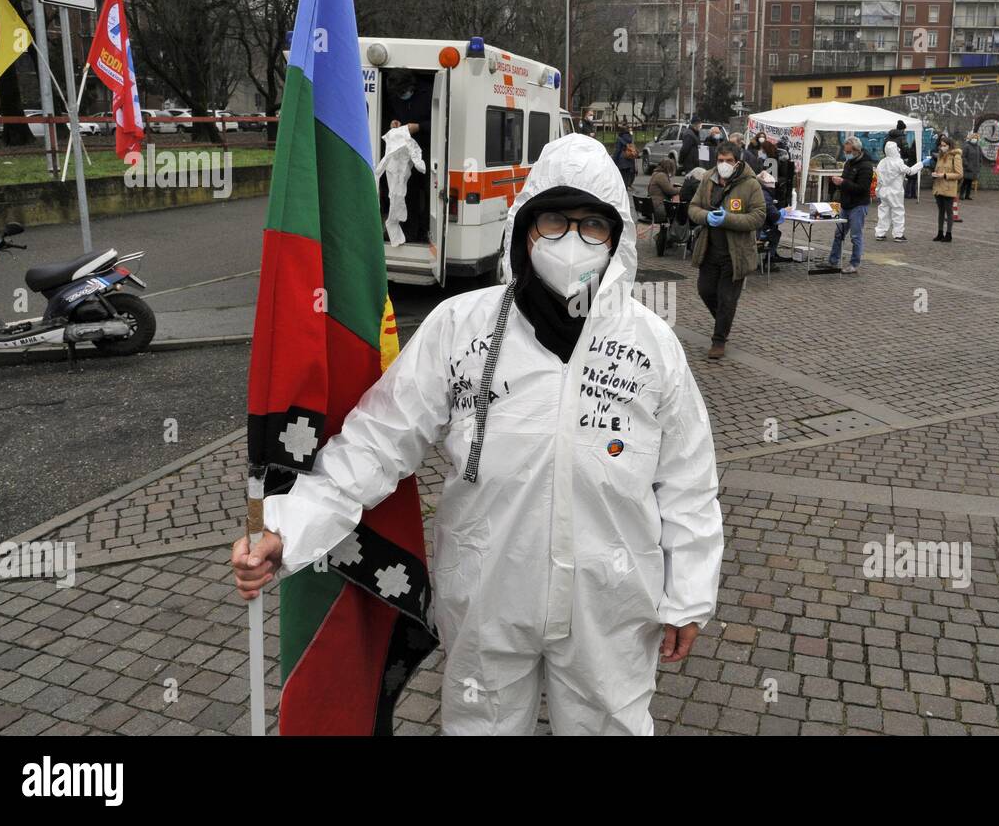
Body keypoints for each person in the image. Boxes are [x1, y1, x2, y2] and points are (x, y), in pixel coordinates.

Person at [232, 134, 723, 735]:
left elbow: (688, 482)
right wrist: (288, 524)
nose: (572, 240)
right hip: (488, 599)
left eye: (592, 224)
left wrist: (689, 594)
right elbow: (376, 441)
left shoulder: (652, 346)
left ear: (617, 235)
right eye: (554, 220)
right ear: (523, 228)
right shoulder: (461, 328)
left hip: (613, 609)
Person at [689, 142, 767, 359]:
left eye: (728, 161)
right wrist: (706, 217)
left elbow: (759, 216)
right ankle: (724, 320)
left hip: (736, 253)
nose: (724, 164)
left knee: (727, 299)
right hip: (709, 249)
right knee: (705, 290)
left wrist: (728, 219)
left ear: (737, 161)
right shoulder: (707, 179)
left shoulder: (750, 184)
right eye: (720, 160)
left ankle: (719, 339)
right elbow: (693, 207)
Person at [385, 70, 434, 243]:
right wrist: (395, 122)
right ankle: (410, 231)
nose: (401, 96)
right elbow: (393, 114)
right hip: (405, 150)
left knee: (429, 191)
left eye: (402, 92)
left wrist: (419, 127)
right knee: (407, 191)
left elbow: (440, 121)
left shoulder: (429, 92)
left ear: (411, 86)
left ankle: (427, 229)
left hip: (429, 149)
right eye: (398, 94)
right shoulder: (395, 97)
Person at [822, 136, 874, 274]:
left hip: (858, 205)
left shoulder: (866, 166)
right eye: (846, 151)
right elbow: (845, 180)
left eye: (848, 151)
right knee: (838, 234)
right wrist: (838, 183)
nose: (846, 154)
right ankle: (833, 261)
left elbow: (862, 188)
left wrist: (843, 183)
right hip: (845, 204)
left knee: (856, 236)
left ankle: (854, 264)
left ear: (856, 150)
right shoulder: (848, 163)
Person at [874, 140, 930, 242]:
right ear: (895, 150)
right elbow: (910, 171)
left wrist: (877, 191)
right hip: (895, 191)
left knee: (883, 212)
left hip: (884, 191)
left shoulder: (882, 162)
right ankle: (898, 235)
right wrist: (921, 163)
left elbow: (878, 179)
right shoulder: (898, 162)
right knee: (898, 212)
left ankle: (880, 233)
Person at [931, 135, 963, 242]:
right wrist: (935, 174)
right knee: (940, 211)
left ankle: (948, 234)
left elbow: (959, 174)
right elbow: (938, 168)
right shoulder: (940, 155)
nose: (942, 147)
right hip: (938, 187)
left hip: (949, 187)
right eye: (941, 145)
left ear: (949, 146)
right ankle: (940, 232)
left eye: (944, 145)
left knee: (949, 212)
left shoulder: (956, 156)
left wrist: (945, 175)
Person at [648, 157, 679, 225]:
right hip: (658, 208)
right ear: (669, 168)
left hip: (651, 207)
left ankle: (664, 233)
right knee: (679, 213)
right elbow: (670, 191)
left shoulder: (656, 173)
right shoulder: (661, 176)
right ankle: (670, 233)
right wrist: (680, 189)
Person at [612, 123, 637, 197]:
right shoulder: (630, 138)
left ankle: (621, 192)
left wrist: (614, 161)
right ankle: (625, 190)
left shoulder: (620, 139)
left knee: (621, 176)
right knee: (627, 177)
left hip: (621, 160)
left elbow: (618, 151)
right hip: (629, 159)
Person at [961, 132, 982, 201]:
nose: (974, 139)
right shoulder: (966, 146)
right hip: (968, 168)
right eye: (973, 137)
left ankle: (967, 195)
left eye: (976, 138)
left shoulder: (978, 147)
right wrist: (966, 164)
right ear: (970, 138)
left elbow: (980, 157)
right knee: (965, 182)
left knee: (970, 182)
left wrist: (979, 164)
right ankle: (961, 194)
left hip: (975, 168)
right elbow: (963, 157)